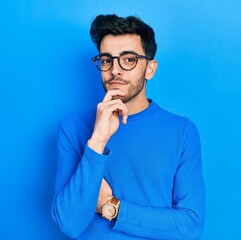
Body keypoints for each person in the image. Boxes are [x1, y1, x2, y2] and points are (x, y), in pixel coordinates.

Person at [51, 14, 205, 240]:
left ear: (150, 69)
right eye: (106, 60)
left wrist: (111, 207)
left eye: (129, 59)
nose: (115, 70)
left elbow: (190, 226)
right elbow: (68, 223)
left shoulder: (182, 131)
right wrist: (98, 141)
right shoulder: (73, 128)